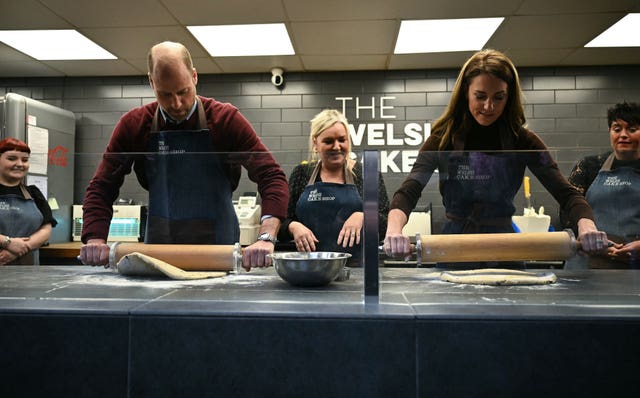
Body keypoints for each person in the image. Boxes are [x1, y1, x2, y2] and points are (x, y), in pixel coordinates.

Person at [384, 49, 607, 264]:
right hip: (454, 246)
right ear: (465, 93)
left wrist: (587, 226)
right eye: (480, 96)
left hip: (504, 246)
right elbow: (409, 191)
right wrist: (394, 230)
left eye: (498, 98)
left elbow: (566, 194)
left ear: (509, 98)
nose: (489, 106)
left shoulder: (523, 141)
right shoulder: (443, 140)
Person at [79, 41, 288, 270]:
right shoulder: (134, 125)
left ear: (195, 77)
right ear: (151, 82)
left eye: (183, 91)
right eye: (165, 94)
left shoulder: (225, 120)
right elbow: (102, 186)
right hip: (159, 251)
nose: (176, 103)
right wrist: (95, 238)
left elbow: (271, 176)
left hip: (219, 251)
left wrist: (266, 236)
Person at [278, 109, 389, 265]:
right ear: (315, 143)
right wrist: (293, 226)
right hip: (312, 267)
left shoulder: (367, 174)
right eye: (329, 141)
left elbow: (386, 224)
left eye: (342, 140)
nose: (337, 147)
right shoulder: (302, 173)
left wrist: (364, 216)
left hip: (360, 268)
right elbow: (281, 223)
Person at [565, 102, 640, 267]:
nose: (623, 135)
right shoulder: (589, 166)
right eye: (617, 129)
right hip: (588, 263)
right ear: (609, 132)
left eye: (632, 129)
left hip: (635, 267)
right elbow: (568, 212)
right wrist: (587, 239)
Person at [0, 138, 57, 265]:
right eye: (11, 158)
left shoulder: (34, 193)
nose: (20, 164)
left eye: (25, 160)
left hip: (27, 269)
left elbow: (46, 229)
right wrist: (8, 242)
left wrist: (20, 248)